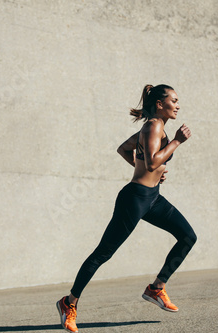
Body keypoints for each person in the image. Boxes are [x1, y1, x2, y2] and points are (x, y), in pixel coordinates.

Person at [56, 84, 197, 333]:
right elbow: (153, 161)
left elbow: (126, 149)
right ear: (159, 104)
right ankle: (69, 303)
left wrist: (146, 171)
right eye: (173, 101)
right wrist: (177, 141)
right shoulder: (154, 125)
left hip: (152, 197)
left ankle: (156, 288)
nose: (178, 105)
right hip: (134, 199)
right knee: (103, 253)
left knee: (188, 236)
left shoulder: (156, 127)